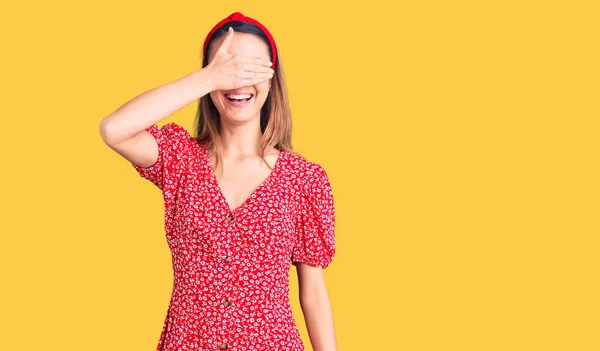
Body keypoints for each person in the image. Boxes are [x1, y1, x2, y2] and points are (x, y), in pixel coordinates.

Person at [99, 11, 337, 351]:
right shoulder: (179, 159)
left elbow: (313, 291)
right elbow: (113, 129)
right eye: (227, 67)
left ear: (271, 78)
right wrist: (207, 79)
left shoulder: (304, 179)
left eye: (251, 67)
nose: (237, 80)